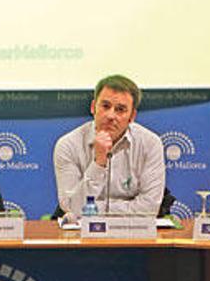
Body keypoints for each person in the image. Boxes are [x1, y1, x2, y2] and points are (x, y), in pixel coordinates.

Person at [53, 74, 165, 217]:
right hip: (81, 233)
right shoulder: (68, 145)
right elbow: (71, 207)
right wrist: (99, 163)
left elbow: (149, 208)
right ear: (93, 107)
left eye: (120, 109)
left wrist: (93, 210)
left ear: (132, 117)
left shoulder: (150, 144)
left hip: (133, 231)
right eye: (105, 106)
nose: (111, 116)